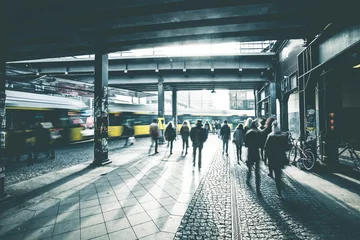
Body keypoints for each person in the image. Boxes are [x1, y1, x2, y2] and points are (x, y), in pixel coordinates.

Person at [264, 121, 288, 198]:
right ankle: (280, 186)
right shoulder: (282, 137)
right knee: (278, 173)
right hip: (281, 157)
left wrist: (266, 157)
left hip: (273, 158)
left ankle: (279, 192)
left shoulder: (270, 136)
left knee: (277, 175)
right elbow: (286, 148)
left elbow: (266, 148)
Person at [244, 121, 261, 196]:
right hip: (256, 153)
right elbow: (261, 144)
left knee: (249, 169)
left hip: (250, 153)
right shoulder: (258, 133)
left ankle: (248, 180)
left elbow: (246, 144)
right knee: (257, 172)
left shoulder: (248, 133)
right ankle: (258, 189)